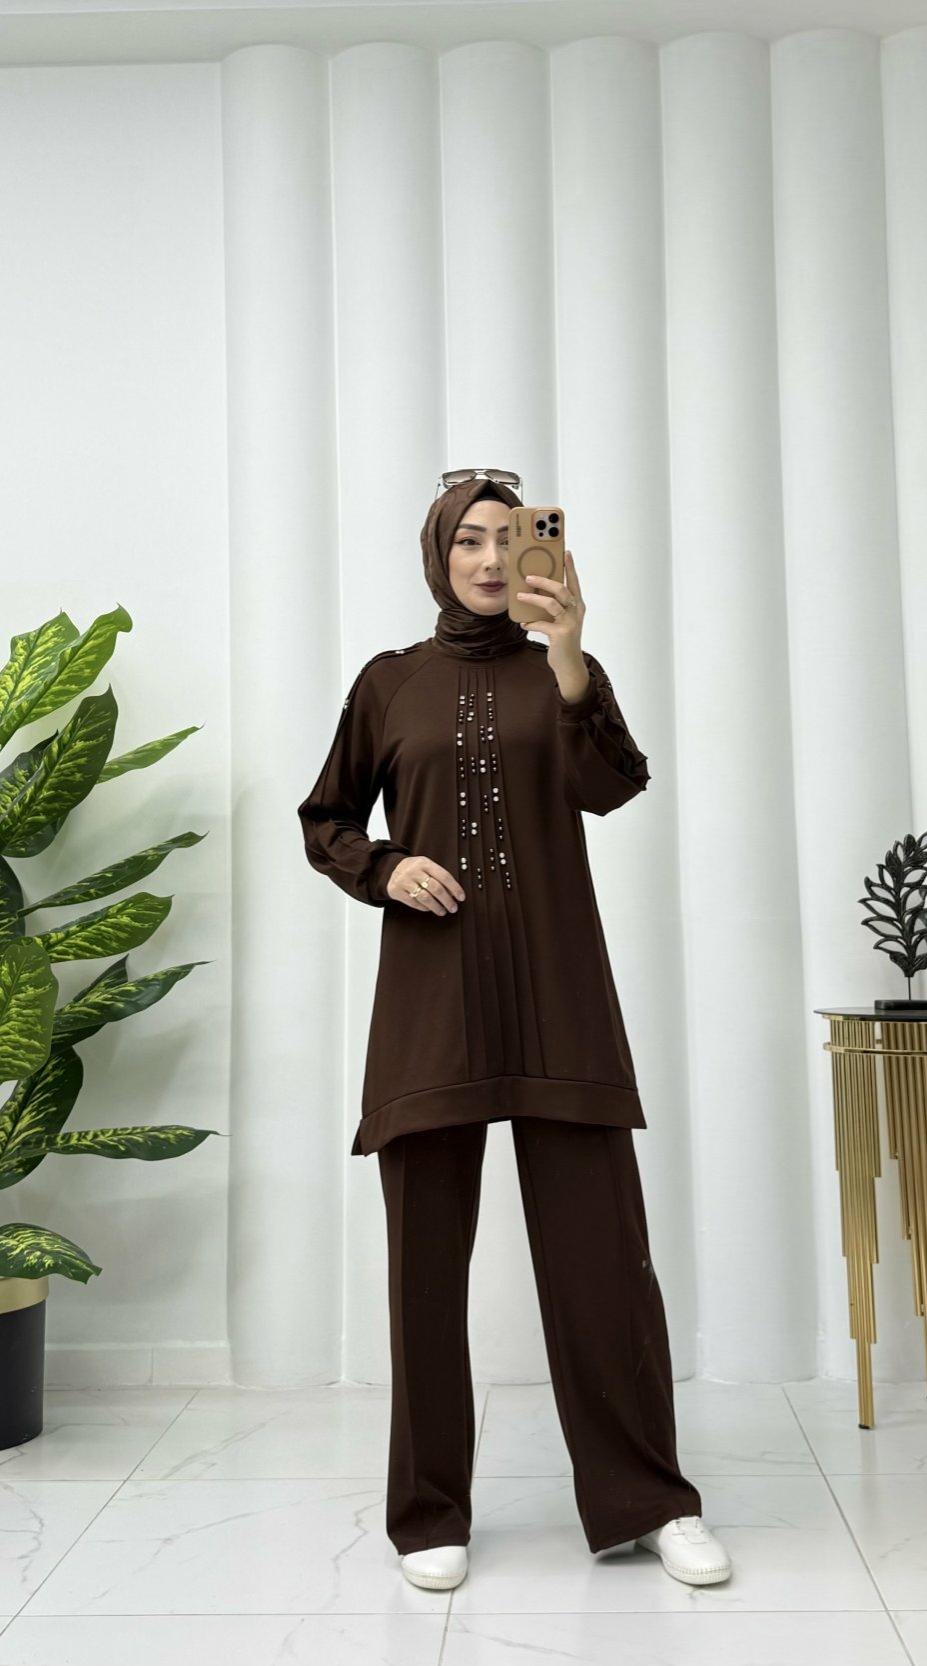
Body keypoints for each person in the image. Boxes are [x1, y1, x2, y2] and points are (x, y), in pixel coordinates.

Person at [297, 469, 732, 1591]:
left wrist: (572, 651)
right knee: (423, 1268)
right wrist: (388, 867)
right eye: (470, 540)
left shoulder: (561, 674)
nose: (492, 559)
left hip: (558, 994)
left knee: (604, 1263)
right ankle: (428, 1512)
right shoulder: (389, 683)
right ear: (438, 554)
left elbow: (612, 784)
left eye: (510, 539)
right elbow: (326, 818)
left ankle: (650, 1500)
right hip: (431, 1003)